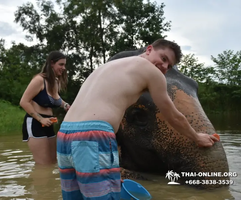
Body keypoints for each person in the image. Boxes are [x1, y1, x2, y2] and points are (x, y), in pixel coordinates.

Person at [57, 39, 219, 200]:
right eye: (163, 58)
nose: (164, 67)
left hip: (64, 135)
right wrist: (196, 137)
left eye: (169, 66)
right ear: (149, 49)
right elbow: (173, 115)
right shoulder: (151, 71)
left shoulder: (108, 66)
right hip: (93, 136)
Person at [20, 51, 71, 165]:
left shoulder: (55, 82)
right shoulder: (39, 80)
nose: (64, 68)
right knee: (43, 165)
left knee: (52, 163)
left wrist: (66, 106)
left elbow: (57, 100)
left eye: (64, 65)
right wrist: (40, 119)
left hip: (49, 123)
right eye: (61, 64)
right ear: (52, 63)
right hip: (35, 123)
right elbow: (24, 102)